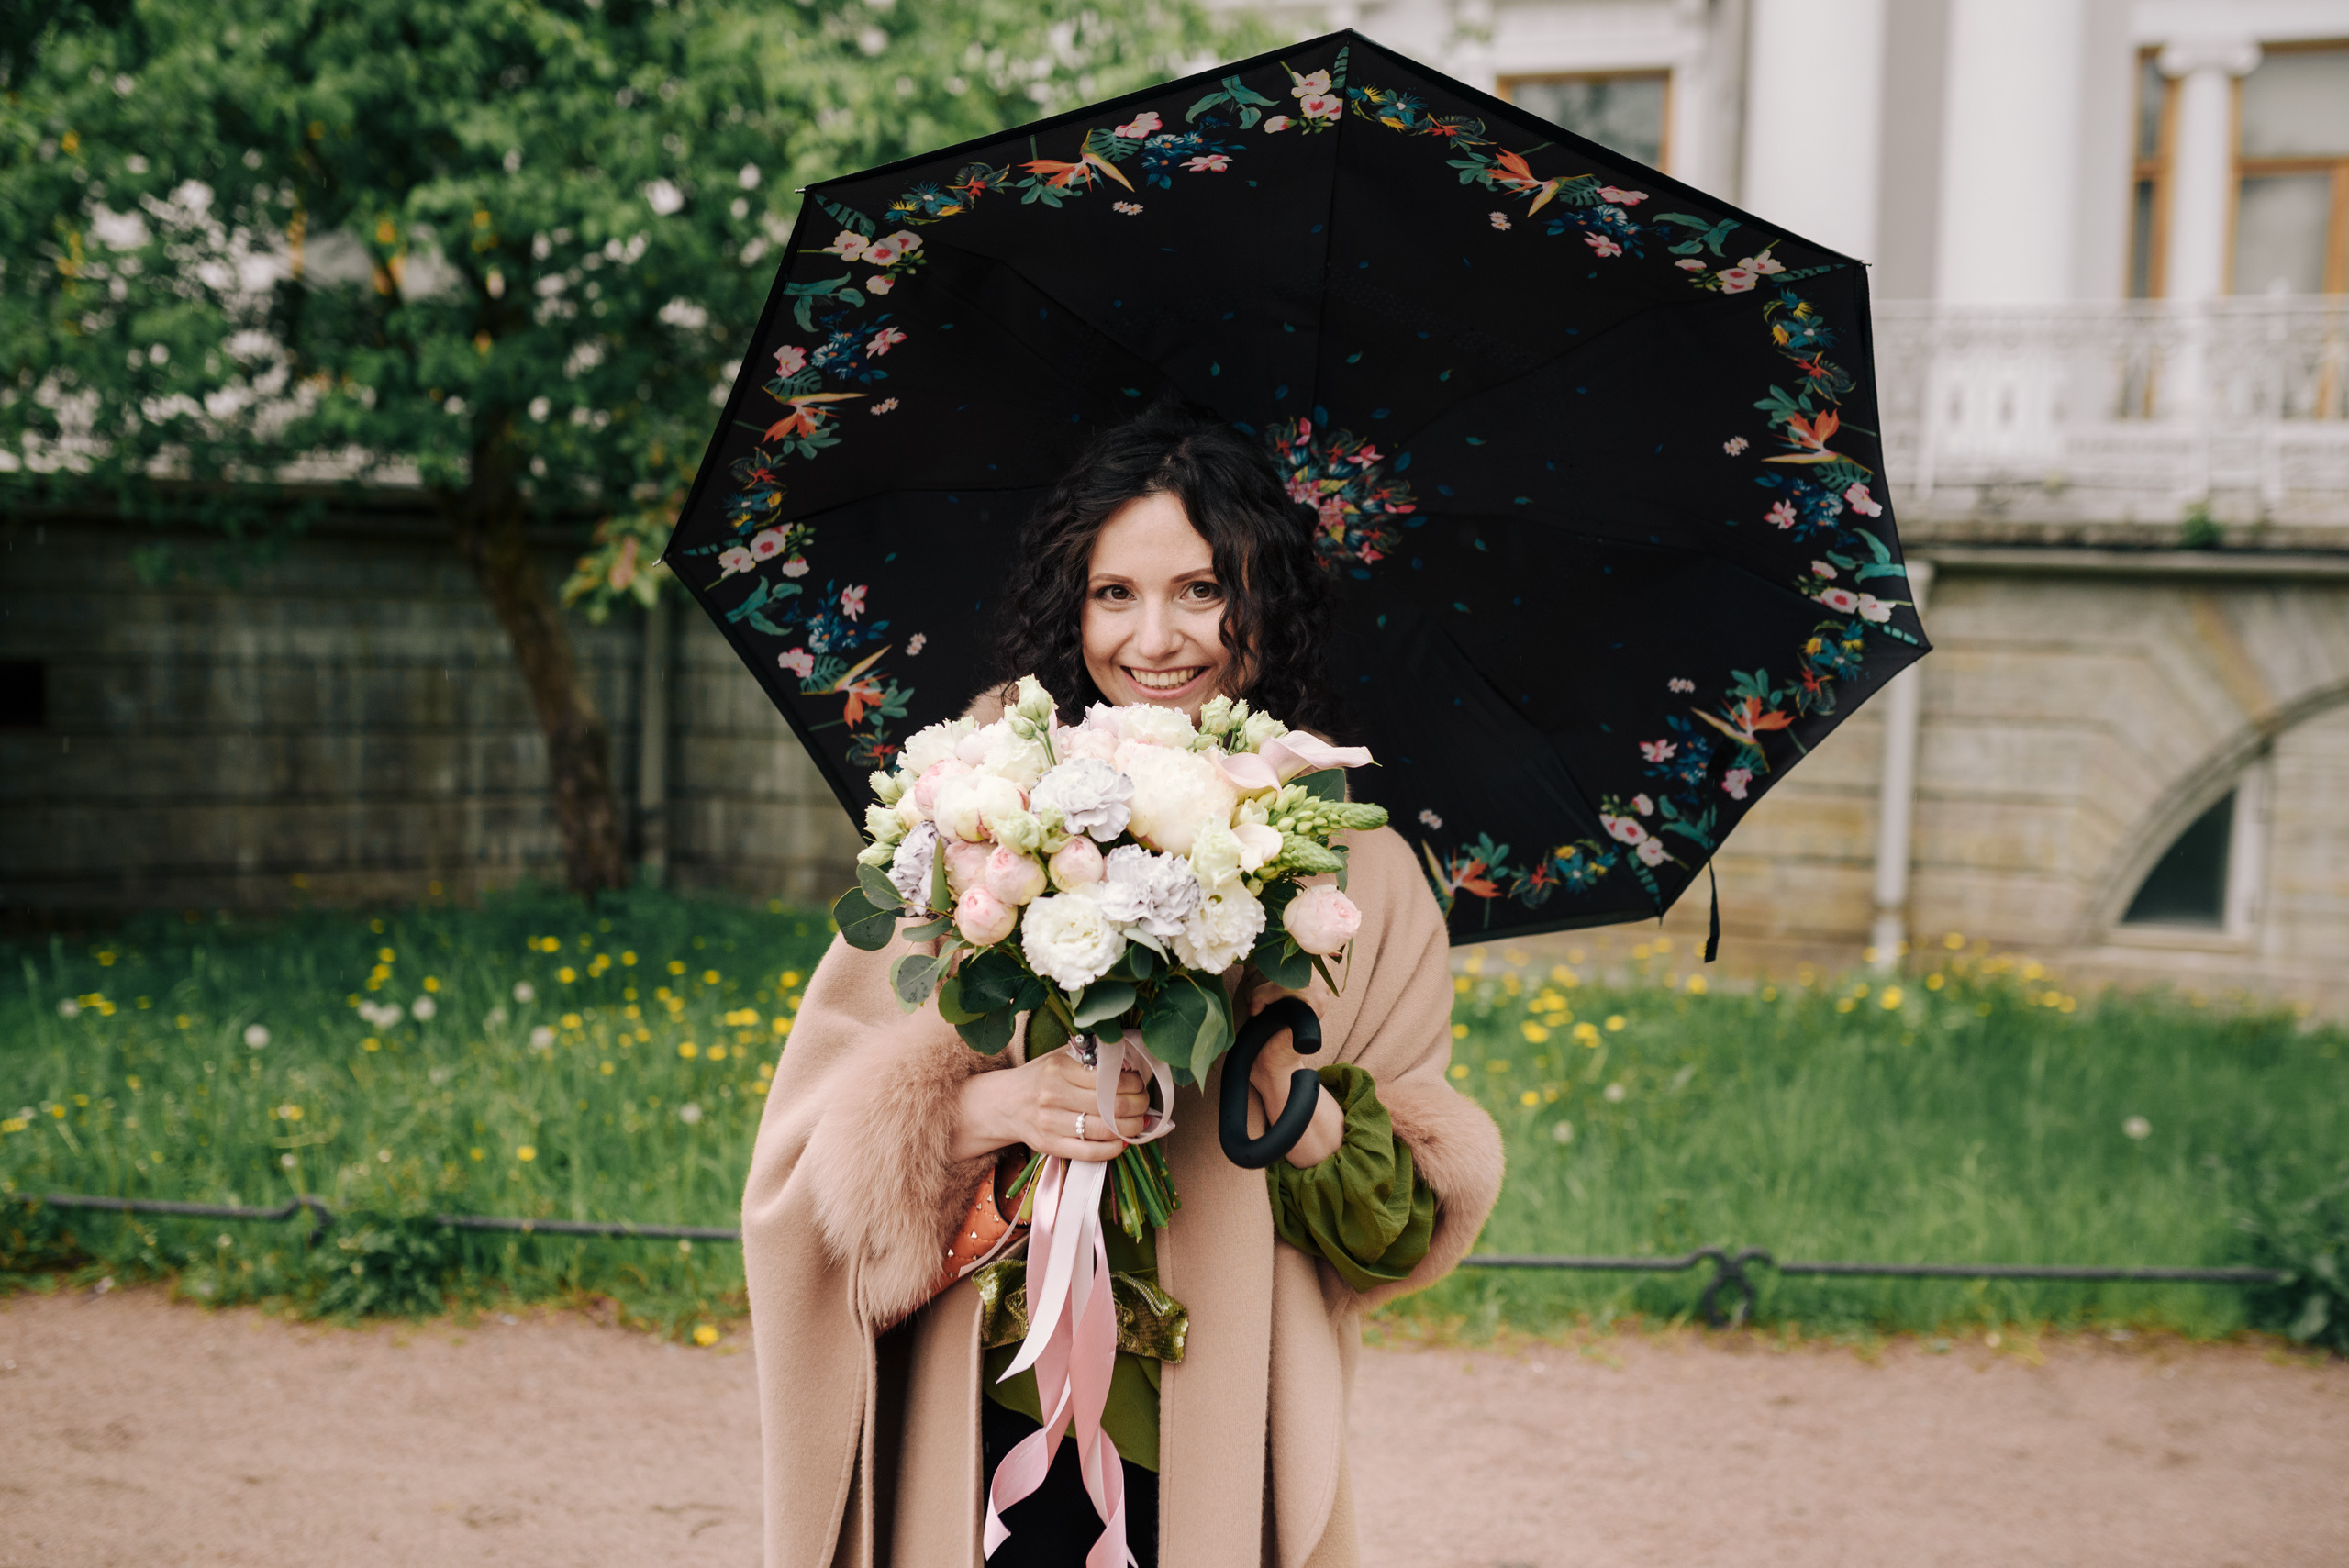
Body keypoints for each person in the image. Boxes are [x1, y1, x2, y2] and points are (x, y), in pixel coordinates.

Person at [740, 405, 1504, 1568]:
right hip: (987, 1404)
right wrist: (991, 1106)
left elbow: (1399, 1231)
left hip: (1215, 1426)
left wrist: (1292, 1099)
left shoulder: (1369, 873)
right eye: (1114, 594)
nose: (1157, 638)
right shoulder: (976, 806)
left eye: (1203, 590)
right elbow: (805, 1168)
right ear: (1072, 603)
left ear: (1266, 599)